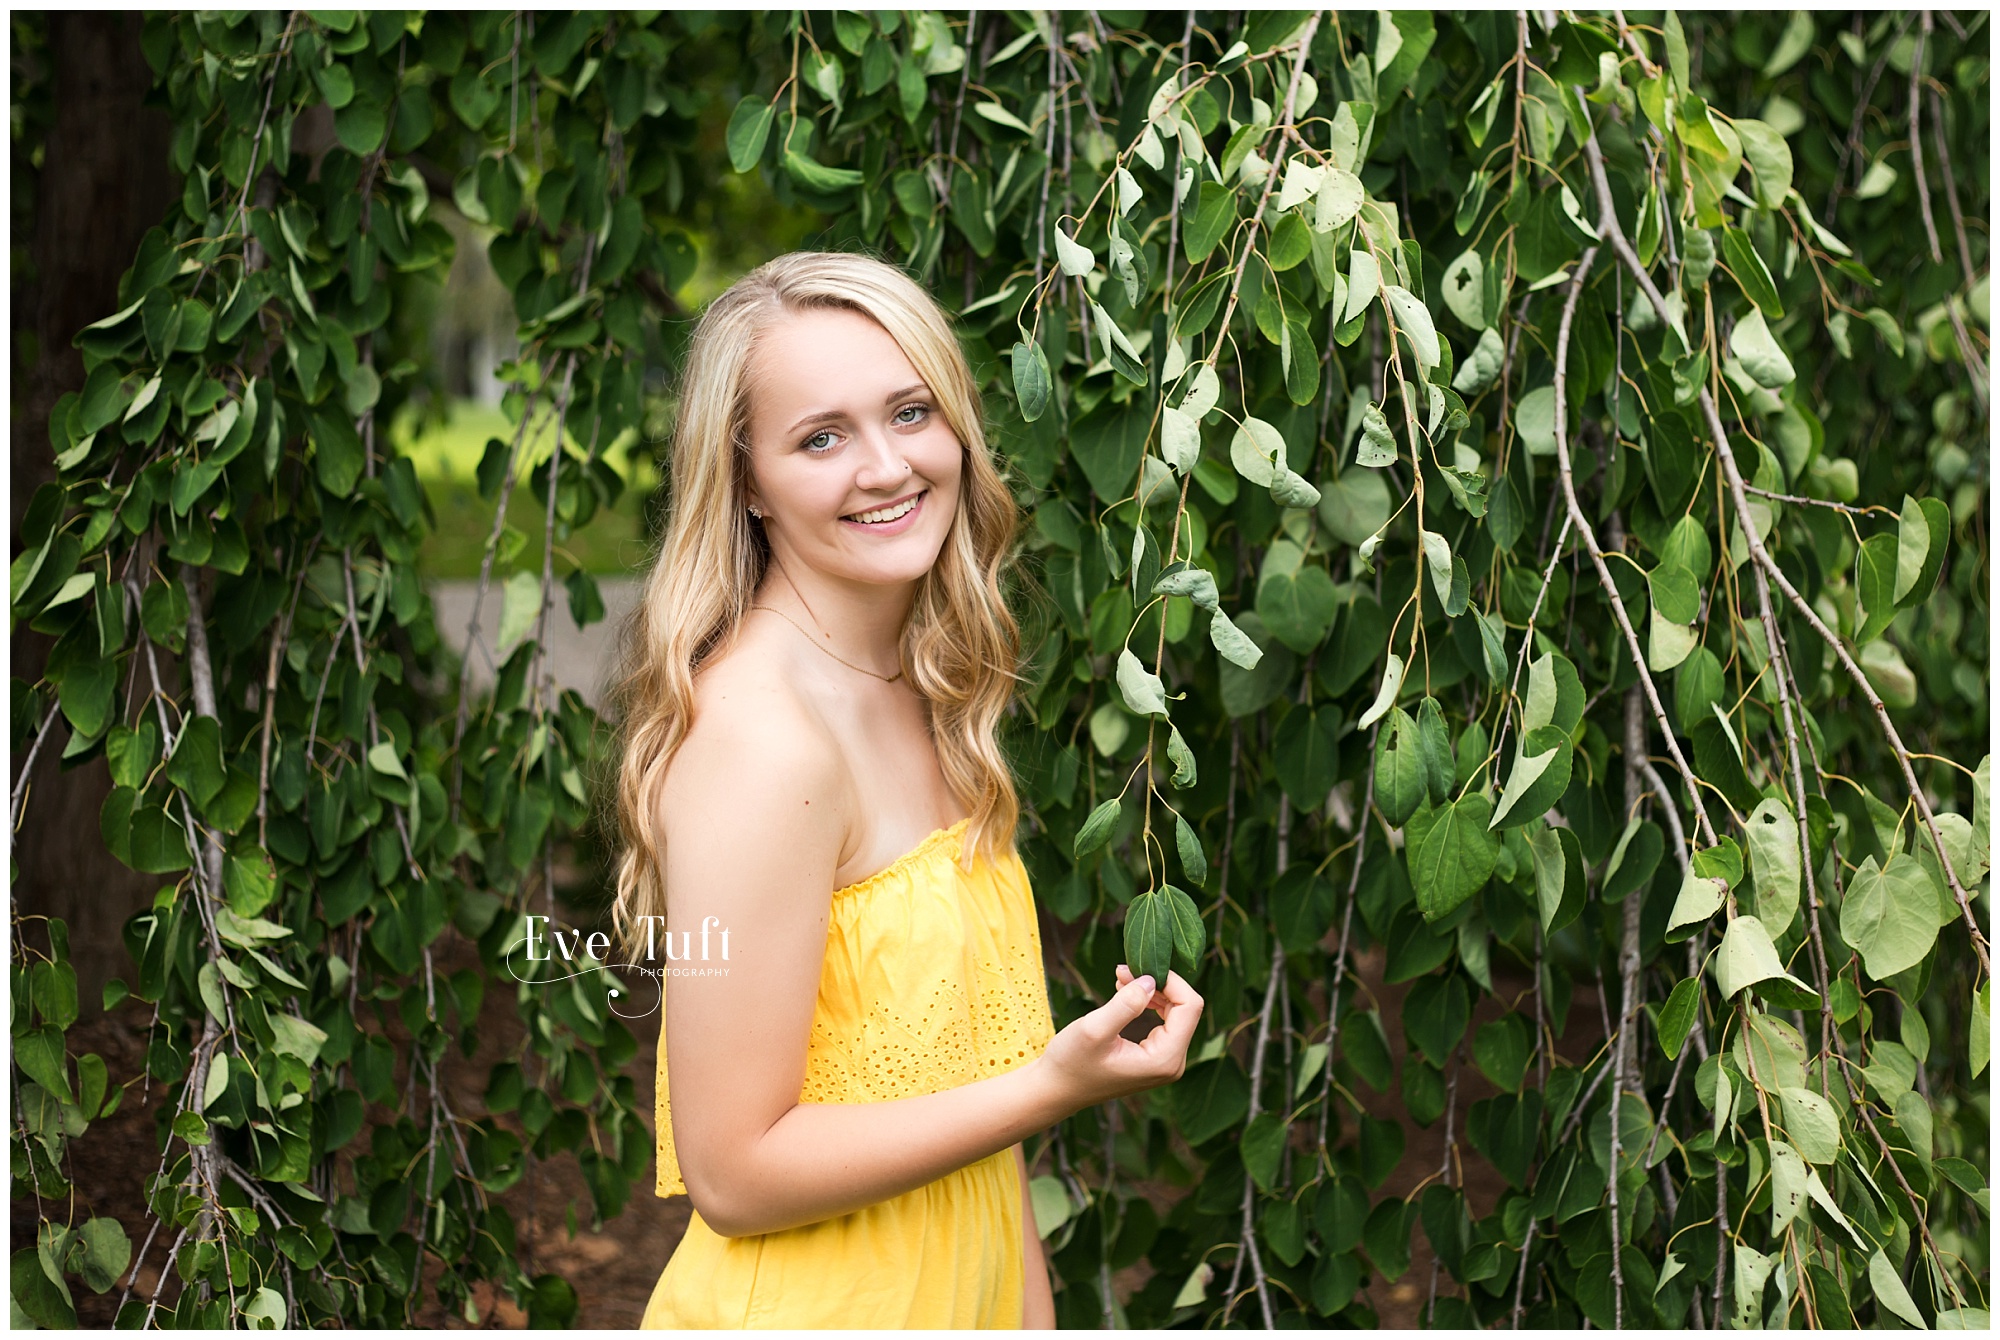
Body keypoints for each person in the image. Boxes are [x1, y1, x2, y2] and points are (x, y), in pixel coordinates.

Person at [607, 250, 1203, 1329]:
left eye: (910, 411)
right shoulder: (764, 741)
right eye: (820, 437)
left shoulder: (918, 687)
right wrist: (1054, 1087)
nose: (885, 466)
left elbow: (974, 1117)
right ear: (745, 478)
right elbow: (732, 1174)